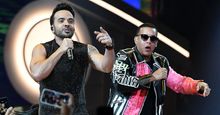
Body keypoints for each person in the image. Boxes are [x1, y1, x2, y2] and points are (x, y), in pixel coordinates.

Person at [30, 3, 115, 115]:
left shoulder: (86, 49)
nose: (67, 24)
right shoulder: (41, 48)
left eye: (70, 21)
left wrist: (109, 47)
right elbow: (37, 74)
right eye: (61, 21)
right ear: (52, 27)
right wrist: (61, 50)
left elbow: (107, 67)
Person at [107, 23, 211, 115]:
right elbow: (119, 82)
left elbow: (179, 83)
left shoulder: (161, 62)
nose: (149, 41)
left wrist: (197, 86)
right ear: (136, 40)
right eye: (144, 37)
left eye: (153, 39)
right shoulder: (125, 56)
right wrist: (151, 77)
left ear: (156, 43)